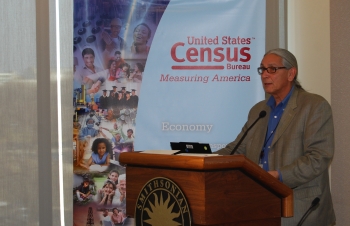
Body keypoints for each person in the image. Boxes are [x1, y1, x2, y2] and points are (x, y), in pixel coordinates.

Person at [216, 48, 335, 226]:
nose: (265, 75)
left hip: (302, 209)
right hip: (262, 206)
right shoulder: (259, 110)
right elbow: (237, 149)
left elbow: (318, 158)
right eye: (262, 69)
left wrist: (278, 176)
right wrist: (204, 159)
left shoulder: (314, 106)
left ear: (291, 73)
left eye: (272, 69)